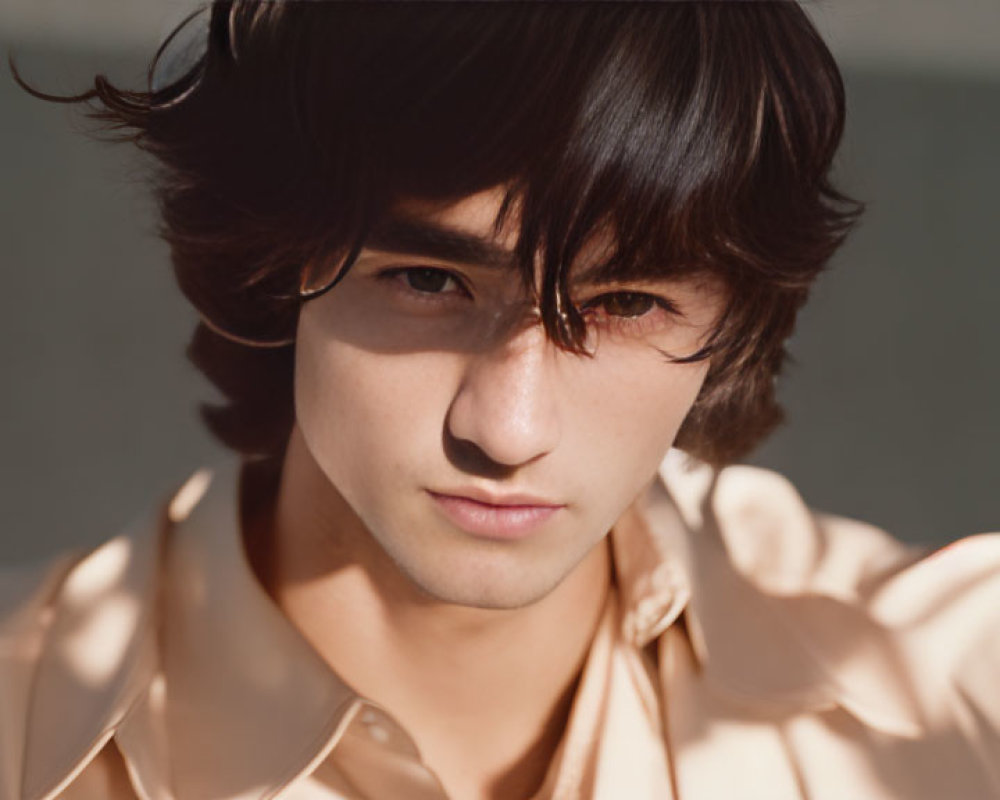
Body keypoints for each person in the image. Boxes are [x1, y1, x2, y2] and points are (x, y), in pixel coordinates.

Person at [3, 3, 998, 798]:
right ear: (276, 265)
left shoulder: (956, 690)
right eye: (428, 280)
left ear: (733, 319)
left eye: (626, 301)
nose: (507, 428)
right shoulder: (24, 718)